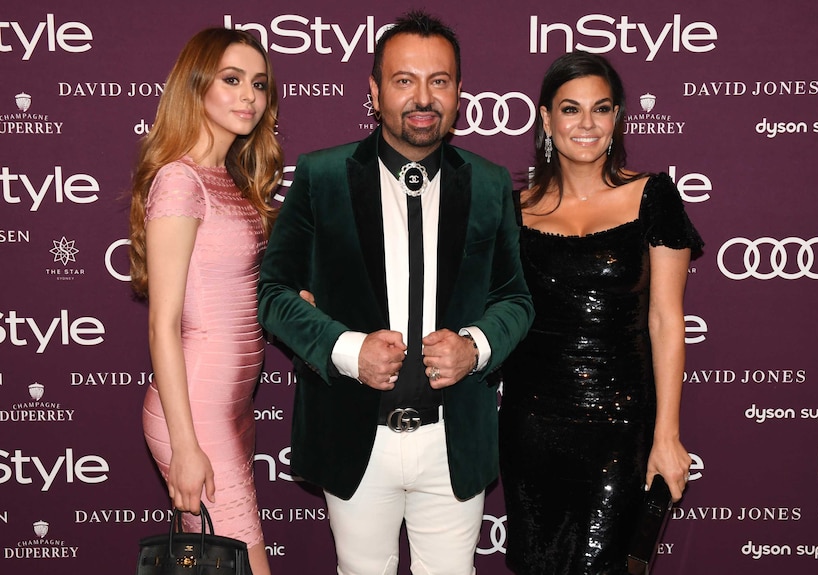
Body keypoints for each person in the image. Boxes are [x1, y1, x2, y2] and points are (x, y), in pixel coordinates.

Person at [257, 10, 533, 575]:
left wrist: (474, 347)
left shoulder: (489, 183)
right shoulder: (321, 176)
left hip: (452, 438)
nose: (422, 97)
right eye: (404, 80)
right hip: (355, 432)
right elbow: (273, 292)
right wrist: (345, 348)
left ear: (458, 91)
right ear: (375, 90)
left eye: (440, 80)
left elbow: (516, 299)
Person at [499, 51, 703, 575]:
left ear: (617, 118)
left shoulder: (652, 196)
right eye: (570, 109)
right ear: (545, 118)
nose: (586, 124)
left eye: (601, 108)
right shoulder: (514, 209)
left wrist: (667, 434)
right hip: (532, 423)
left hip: (621, 422)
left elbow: (665, 319)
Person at [128, 27, 282, 575]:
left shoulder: (228, 180)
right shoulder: (179, 181)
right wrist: (187, 446)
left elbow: (238, 291)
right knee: (248, 566)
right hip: (193, 413)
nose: (249, 96)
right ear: (196, 88)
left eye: (259, 84)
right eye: (232, 80)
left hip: (232, 405)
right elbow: (163, 326)